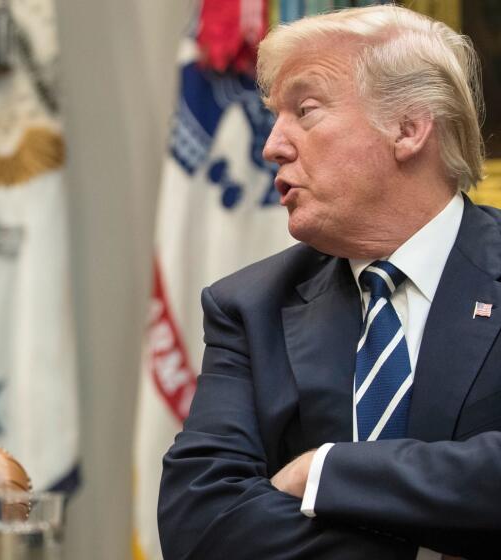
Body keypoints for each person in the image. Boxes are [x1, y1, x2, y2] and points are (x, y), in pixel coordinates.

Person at [159, 5, 501, 560]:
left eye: (306, 110)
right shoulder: (249, 306)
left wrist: (327, 471)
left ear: (409, 129)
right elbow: (201, 522)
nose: (272, 146)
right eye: (276, 116)